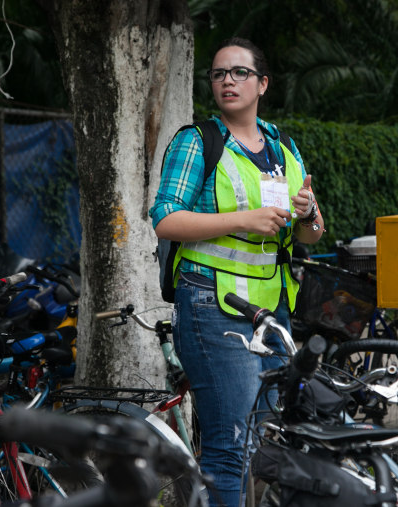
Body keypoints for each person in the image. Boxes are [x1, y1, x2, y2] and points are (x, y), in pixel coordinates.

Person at [149, 37, 324, 507]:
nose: (228, 81)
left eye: (239, 73)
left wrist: (306, 212)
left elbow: (310, 235)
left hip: (271, 310)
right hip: (212, 306)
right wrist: (242, 220)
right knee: (229, 447)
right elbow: (165, 218)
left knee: (265, 438)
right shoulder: (198, 141)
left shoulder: (283, 146)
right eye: (219, 74)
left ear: (262, 84)